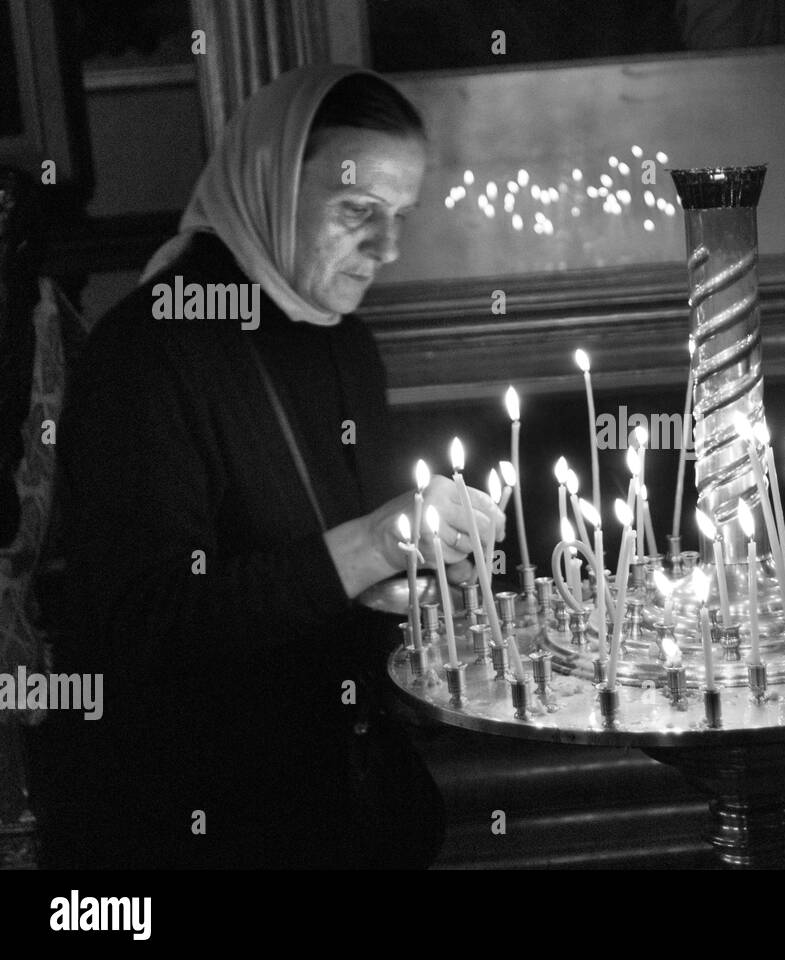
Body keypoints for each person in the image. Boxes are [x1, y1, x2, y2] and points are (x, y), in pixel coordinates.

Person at [34, 64, 503, 869]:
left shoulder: (341, 338)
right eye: (357, 210)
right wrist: (374, 545)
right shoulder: (149, 351)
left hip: (344, 806)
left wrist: (434, 593)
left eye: (399, 216)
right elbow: (143, 628)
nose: (387, 248)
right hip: (197, 826)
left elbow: (341, 587)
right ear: (268, 178)